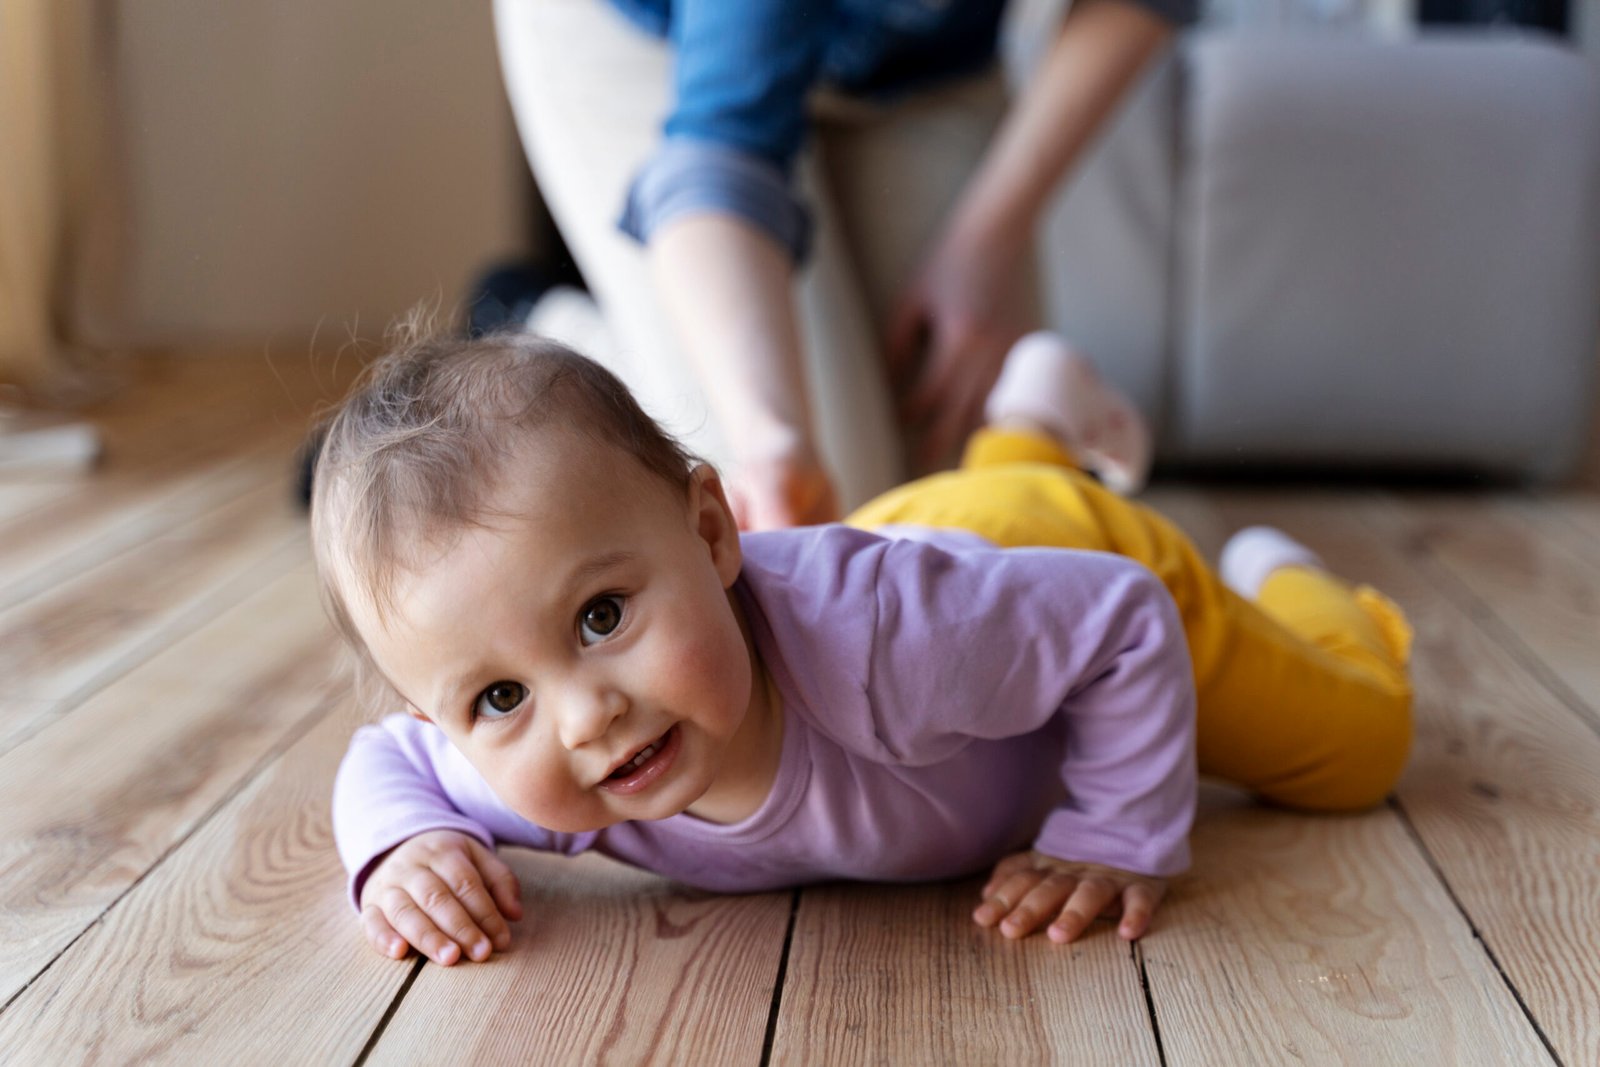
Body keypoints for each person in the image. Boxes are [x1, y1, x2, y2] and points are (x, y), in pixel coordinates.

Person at [314, 328, 1413, 967]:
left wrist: (1115, 831)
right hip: (942, 551)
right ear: (446, 716)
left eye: (602, 616)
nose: (582, 714)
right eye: (497, 694)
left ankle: (1291, 585)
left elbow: (1122, 617)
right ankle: (1029, 409)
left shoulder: (891, 641)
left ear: (712, 532)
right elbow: (387, 762)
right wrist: (401, 848)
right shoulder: (534, 766)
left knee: (1357, 747)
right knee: (966, 537)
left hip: (1060, 565)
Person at [494, 0, 1187, 530]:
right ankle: (535, 317)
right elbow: (722, 156)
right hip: (651, 41)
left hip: (923, 65)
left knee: (980, 509)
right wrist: (773, 440)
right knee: (833, 501)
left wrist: (981, 246)